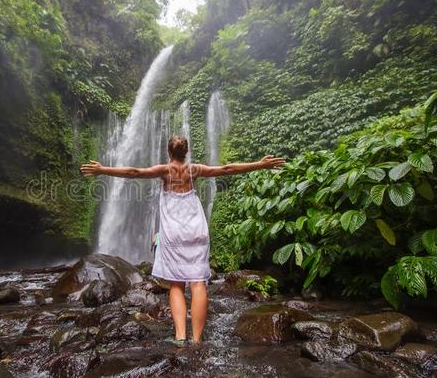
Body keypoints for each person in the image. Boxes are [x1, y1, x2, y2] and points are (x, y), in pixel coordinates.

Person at [80, 135, 285, 345]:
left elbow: (134, 173)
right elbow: (226, 169)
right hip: (197, 230)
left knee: (176, 284)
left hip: (173, 232)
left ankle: (180, 336)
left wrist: (102, 169)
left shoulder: (165, 171)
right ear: (186, 153)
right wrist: (260, 165)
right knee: (198, 284)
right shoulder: (193, 170)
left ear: (169, 153)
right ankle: (196, 339)